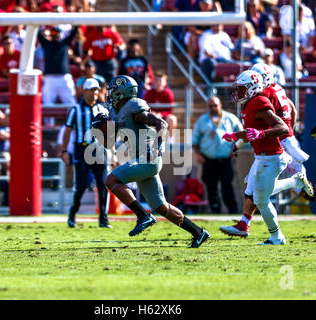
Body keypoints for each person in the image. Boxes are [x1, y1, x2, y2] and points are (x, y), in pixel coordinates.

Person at [220, 65, 316, 238]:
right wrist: (291, 130)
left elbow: (261, 126)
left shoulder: (262, 96)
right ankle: (244, 223)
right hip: (285, 140)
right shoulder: (277, 89)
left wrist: (242, 142)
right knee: (254, 184)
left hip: (277, 143)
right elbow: (293, 109)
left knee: (291, 187)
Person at [102, 75, 210, 248]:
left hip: (148, 158)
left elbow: (162, 124)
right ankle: (198, 232)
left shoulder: (133, 106)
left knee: (111, 180)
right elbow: (109, 142)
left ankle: (143, 215)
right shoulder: (118, 112)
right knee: (160, 206)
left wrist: (159, 146)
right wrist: (102, 125)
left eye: (113, 91)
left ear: (121, 92)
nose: (110, 95)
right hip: (140, 160)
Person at [61, 78, 111, 228]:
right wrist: (64, 150)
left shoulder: (103, 109)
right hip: (82, 149)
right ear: (85, 91)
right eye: (92, 89)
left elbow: (110, 131)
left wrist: (112, 150)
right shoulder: (75, 109)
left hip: (99, 149)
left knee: (103, 184)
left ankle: (103, 219)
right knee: (81, 185)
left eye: (96, 89)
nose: (95, 92)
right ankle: (72, 214)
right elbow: (68, 131)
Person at [192, 96, 242, 214]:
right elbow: (194, 140)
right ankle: (215, 210)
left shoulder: (230, 118)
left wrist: (235, 149)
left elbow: (242, 135)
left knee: (227, 185)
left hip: (226, 159)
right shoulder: (202, 120)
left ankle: (232, 210)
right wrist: (198, 154)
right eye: (211, 106)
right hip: (209, 159)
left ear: (220, 105)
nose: (213, 108)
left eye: (215, 105)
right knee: (211, 186)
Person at [38, 25, 79, 107]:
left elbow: (74, 32)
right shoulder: (46, 44)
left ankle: (73, 120)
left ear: (60, 34)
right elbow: (38, 34)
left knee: (71, 104)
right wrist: (38, 23)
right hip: (50, 79)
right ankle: (48, 121)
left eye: (57, 33)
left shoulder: (64, 43)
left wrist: (76, 23)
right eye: (53, 32)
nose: (55, 34)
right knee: (47, 104)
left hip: (64, 78)